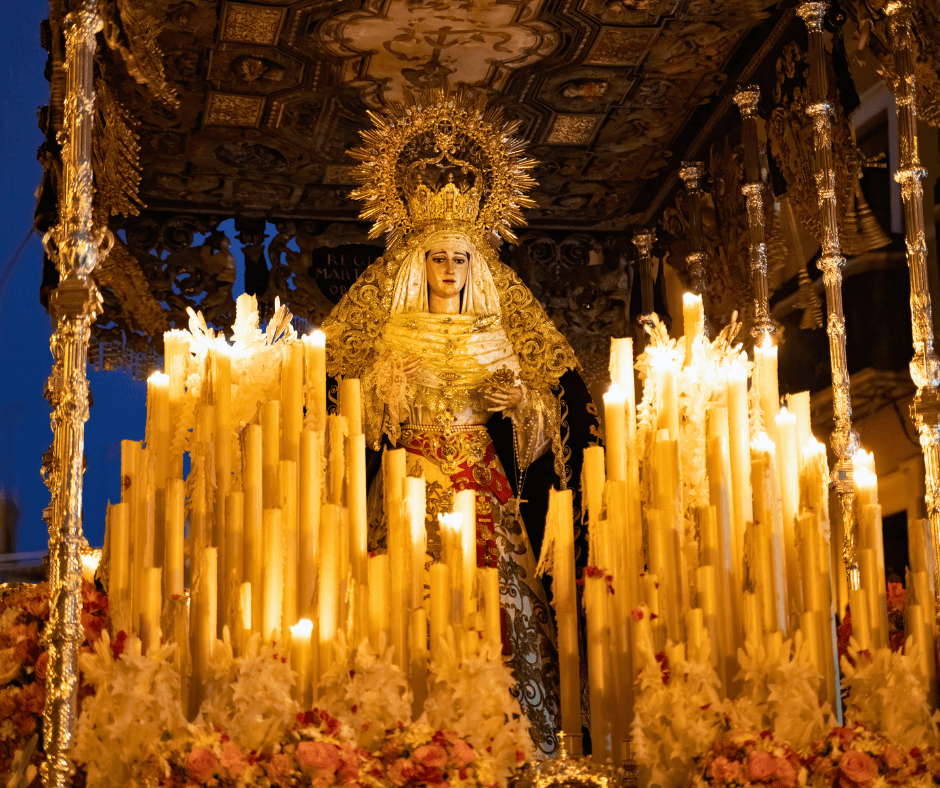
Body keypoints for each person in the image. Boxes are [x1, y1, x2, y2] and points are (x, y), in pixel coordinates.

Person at [322, 91, 597, 755]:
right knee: (405, 592)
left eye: (460, 260)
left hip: (480, 477)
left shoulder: (497, 334)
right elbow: (363, 416)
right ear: (418, 266)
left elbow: (540, 429)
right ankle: (407, 729)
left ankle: (515, 728)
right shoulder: (393, 335)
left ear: (477, 268)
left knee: (500, 595)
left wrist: (520, 408)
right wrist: (389, 391)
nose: (448, 271)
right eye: (438, 259)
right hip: (413, 476)